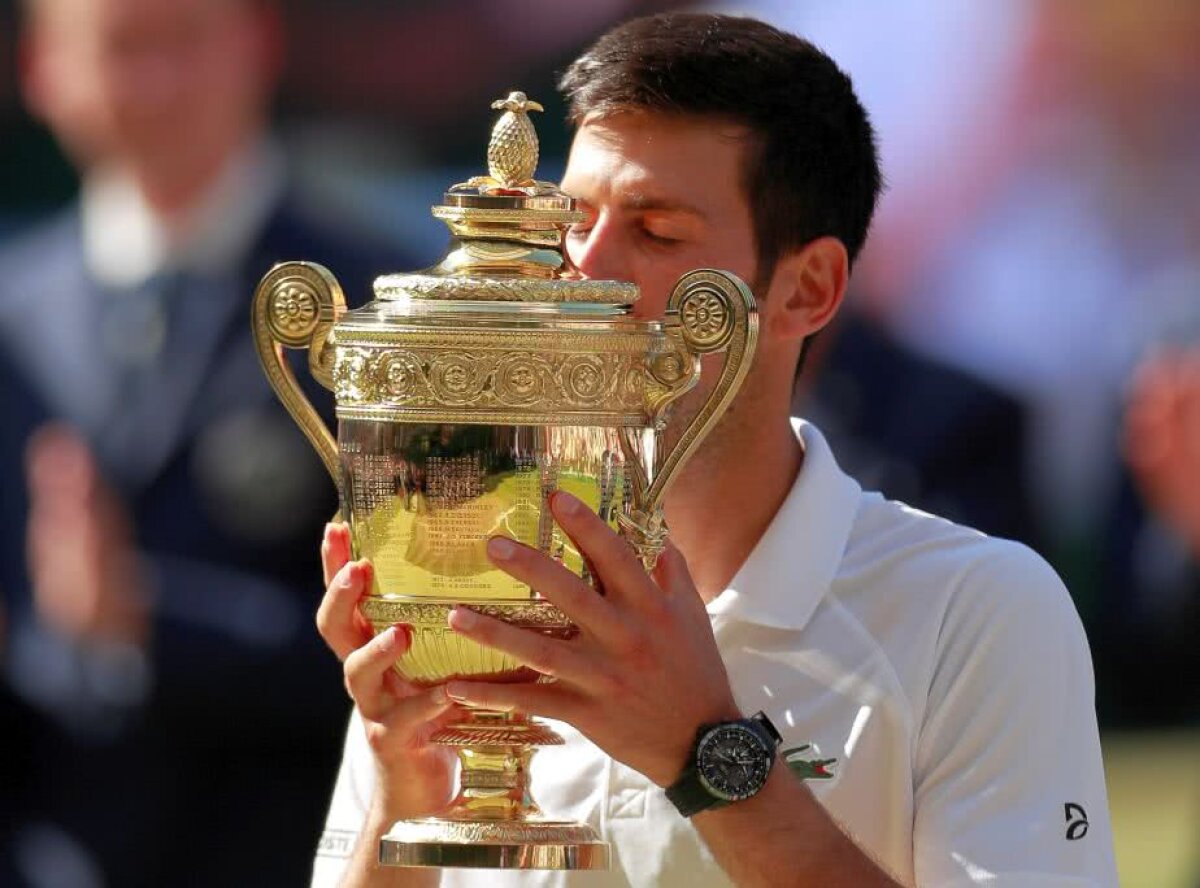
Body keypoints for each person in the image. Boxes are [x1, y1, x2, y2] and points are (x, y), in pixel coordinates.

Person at [310, 13, 1118, 887]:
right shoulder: (458, 599)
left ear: (808, 290)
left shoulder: (978, 612)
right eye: (569, 221)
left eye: (657, 233)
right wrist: (402, 805)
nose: (587, 269)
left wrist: (704, 755)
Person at [0, 0, 409, 883]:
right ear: (41, 70)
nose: (155, 84)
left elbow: (428, 636)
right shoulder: (12, 320)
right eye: (117, 48)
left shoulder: (382, 309)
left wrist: (154, 621)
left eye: (184, 40)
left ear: (257, 43)